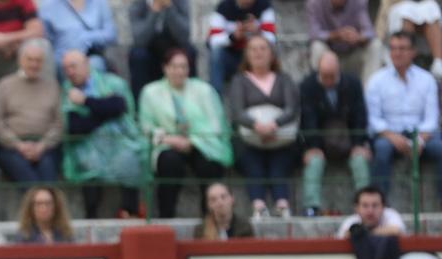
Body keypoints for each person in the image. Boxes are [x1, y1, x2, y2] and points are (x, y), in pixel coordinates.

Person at [138, 48, 233, 218]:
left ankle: (210, 219)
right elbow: (147, 128)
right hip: (166, 144)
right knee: (169, 162)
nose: (179, 71)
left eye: (183, 67)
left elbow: (215, 124)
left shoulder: (204, 90)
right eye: (174, 67)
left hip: (203, 143)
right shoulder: (150, 92)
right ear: (165, 68)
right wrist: (170, 139)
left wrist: (193, 141)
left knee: (209, 164)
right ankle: (166, 216)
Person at [60, 49, 145, 218]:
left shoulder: (113, 83)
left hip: (121, 139)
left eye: (73, 66)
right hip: (86, 145)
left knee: (130, 158)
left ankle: (130, 212)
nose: (70, 72)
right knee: (88, 164)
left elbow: (119, 106)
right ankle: (90, 219)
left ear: (86, 65)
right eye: (66, 68)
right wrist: (104, 110)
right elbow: (75, 126)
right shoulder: (66, 91)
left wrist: (86, 101)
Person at [229, 34, 299, 218]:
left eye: (263, 48)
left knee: (280, 161)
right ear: (246, 55)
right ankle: (258, 206)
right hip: (250, 137)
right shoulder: (239, 81)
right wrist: (256, 126)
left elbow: (291, 108)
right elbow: (237, 111)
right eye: (253, 49)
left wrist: (274, 125)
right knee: (252, 161)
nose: (258, 53)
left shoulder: (284, 79)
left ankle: (282, 204)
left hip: (280, 136)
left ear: (272, 54)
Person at [367, 31, 442, 202]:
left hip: (421, 135)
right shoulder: (377, 80)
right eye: (393, 48)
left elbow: (431, 119)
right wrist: (393, 137)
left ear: (413, 51)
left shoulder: (427, 79)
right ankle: (379, 203)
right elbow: (374, 119)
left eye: (402, 48)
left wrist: (420, 140)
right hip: (389, 136)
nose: (397, 53)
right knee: (381, 149)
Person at [300, 51, 370, 216]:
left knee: (360, 161)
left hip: (349, 141)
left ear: (339, 70)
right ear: (318, 71)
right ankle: (311, 206)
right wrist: (313, 146)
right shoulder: (307, 86)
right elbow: (307, 119)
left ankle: (365, 204)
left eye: (332, 76)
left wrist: (358, 144)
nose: (329, 80)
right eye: (325, 76)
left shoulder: (352, 84)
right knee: (313, 162)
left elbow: (360, 116)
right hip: (320, 142)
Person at [0, 38, 62, 185]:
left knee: (48, 177)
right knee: (30, 182)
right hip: (11, 147)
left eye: (38, 60)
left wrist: (42, 145)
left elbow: (59, 123)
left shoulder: (52, 86)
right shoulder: (5, 85)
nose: (34, 64)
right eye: (30, 60)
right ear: (20, 60)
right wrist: (18, 145)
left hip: (45, 146)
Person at [128, 0, 197, 101]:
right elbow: (139, 40)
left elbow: (184, 37)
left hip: (173, 49)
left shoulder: (180, 2)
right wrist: (154, 11)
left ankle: (192, 101)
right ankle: (140, 105)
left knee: (190, 51)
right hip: (149, 52)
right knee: (137, 55)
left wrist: (169, 8)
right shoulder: (139, 4)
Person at [207, 0, 276, 94]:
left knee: (264, 48)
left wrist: (257, 32)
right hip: (231, 57)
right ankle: (215, 95)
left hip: (254, 57)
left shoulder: (264, 5)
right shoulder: (224, 7)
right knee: (216, 52)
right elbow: (212, 41)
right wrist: (233, 36)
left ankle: (270, 89)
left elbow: (271, 39)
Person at [307, 0, 382, 83]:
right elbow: (313, 33)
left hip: (353, 54)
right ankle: (321, 92)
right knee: (317, 46)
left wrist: (357, 37)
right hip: (329, 54)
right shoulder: (314, 3)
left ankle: (369, 92)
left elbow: (369, 32)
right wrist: (336, 35)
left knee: (375, 45)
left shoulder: (358, 2)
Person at [39, 0, 117, 71]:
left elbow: (110, 34)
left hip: (89, 57)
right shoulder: (49, 5)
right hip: (62, 59)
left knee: (96, 64)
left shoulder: (98, 2)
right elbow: (46, 36)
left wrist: (86, 38)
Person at [376, 0, 442, 79]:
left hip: (423, 13)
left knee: (431, 7)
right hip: (397, 10)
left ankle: (438, 63)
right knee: (406, 11)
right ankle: (406, 60)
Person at [336, 184, 406, 237]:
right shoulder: (351, 221)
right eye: (365, 205)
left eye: (375, 205)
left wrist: (362, 233)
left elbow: (397, 231)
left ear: (383, 207)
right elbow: (344, 235)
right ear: (356, 208)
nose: (370, 211)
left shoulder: (391, 214)